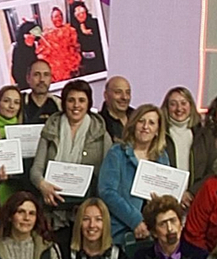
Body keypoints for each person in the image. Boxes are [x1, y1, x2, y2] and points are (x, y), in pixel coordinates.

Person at [32, 77, 109, 229]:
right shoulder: (51, 128)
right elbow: (36, 169)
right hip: (52, 210)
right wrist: (43, 185)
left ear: (89, 103)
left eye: (81, 100)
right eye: (71, 100)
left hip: (86, 214)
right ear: (64, 103)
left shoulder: (101, 133)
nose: (76, 105)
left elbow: (107, 177)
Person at [97, 103, 169, 242]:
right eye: (141, 121)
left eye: (151, 123)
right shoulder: (117, 152)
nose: (145, 127)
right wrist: (135, 220)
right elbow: (107, 191)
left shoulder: (162, 156)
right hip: (120, 231)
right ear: (133, 125)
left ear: (157, 130)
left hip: (153, 233)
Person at [160, 87, 199, 178]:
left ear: (191, 105)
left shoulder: (203, 134)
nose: (179, 108)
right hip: (166, 190)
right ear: (167, 107)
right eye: (173, 104)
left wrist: (191, 191)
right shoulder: (159, 133)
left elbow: (210, 169)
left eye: (183, 103)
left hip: (197, 191)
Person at [39, 6, 80, 81]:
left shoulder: (71, 30)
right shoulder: (46, 35)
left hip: (70, 69)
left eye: (60, 15)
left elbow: (76, 47)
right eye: (56, 16)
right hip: (55, 71)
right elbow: (42, 55)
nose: (58, 18)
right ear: (52, 19)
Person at [70, 0, 104, 72]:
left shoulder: (95, 22)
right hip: (85, 63)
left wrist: (87, 32)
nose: (81, 16)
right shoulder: (74, 28)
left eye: (83, 13)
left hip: (98, 59)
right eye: (78, 14)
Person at [22, 56, 58, 124]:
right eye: (36, 75)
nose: (42, 79)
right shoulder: (19, 103)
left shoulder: (60, 104)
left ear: (51, 78)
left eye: (46, 75)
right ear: (28, 78)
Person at [97, 75, 133, 144]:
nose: (124, 97)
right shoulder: (98, 124)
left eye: (128, 93)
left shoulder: (138, 118)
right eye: (118, 92)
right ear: (106, 95)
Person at [10, 20, 42, 93]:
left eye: (33, 34)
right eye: (28, 34)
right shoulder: (17, 48)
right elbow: (15, 72)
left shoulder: (36, 46)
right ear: (23, 35)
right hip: (24, 86)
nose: (31, 36)